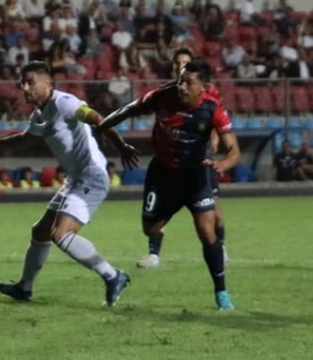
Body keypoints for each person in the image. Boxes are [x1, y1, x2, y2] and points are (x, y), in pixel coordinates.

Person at [0, 60, 139, 306]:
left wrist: (120, 145)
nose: (24, 87)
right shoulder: (39, 115)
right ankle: (25, 288)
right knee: (41, 231)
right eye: (22, 82)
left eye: (30, 82)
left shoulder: (64, 103)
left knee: (61, 234)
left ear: (47, 84)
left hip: (92, 176)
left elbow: (97, 118)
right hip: (75, 178)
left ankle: (113, 275)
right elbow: (21, 139)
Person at [99, 58, 241, 310]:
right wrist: (101, 127)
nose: (181, 86)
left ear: (204, 86)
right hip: (162, 174)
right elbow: (129, 109)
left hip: (195, 176)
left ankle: (222, 294)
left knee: (207, 232)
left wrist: (224, 164)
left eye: (188, 82)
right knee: (149, 228)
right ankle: (170, 213)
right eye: (180, 79)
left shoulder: (212, 108)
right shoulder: (162, 96)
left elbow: (234, 151)